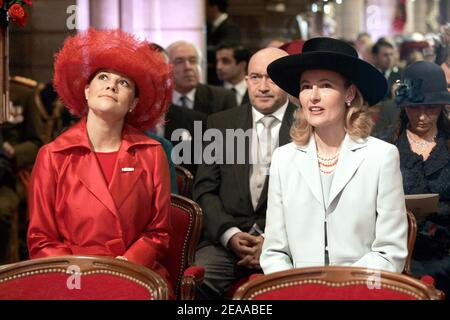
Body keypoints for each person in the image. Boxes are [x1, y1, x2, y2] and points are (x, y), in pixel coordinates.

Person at [27, 29, 174, 295]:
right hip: (70, 278)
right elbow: (41, 238)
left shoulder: (152, 152)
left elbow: (159, 231)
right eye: (103, 77)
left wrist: (127, 265)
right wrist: (81, 272)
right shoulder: (52, 155)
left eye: (124, 83)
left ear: (134, 103)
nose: (111, 85)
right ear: (86, 90)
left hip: (136, 275)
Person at [261, 37, 408, 274]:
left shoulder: (381, 157)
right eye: (306, 86)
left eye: (326, 85)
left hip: (361, 291)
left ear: (349, 93)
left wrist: (339, 288)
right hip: (299, 290)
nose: (313, 96)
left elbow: (390, 253)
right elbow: (274, 252)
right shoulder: (283, 159)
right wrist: (297, 289)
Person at [193, 47, 297, 299]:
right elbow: (204, 191)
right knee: (198, 279)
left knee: (289, 288)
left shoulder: (307, 125)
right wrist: (230, 235)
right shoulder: (220, 123)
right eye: (255, 77)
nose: (262, 86)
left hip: (287, 243)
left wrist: (269, 240)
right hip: (225, 241)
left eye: (272, 78)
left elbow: (310, 200)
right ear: (246, 79)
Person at [381, 60, 450, 295]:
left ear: (442, 105)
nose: (422, 116)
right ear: (403, 106)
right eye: (414, 107)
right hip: (396, 258)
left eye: (431, 107)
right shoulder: (382, 145)